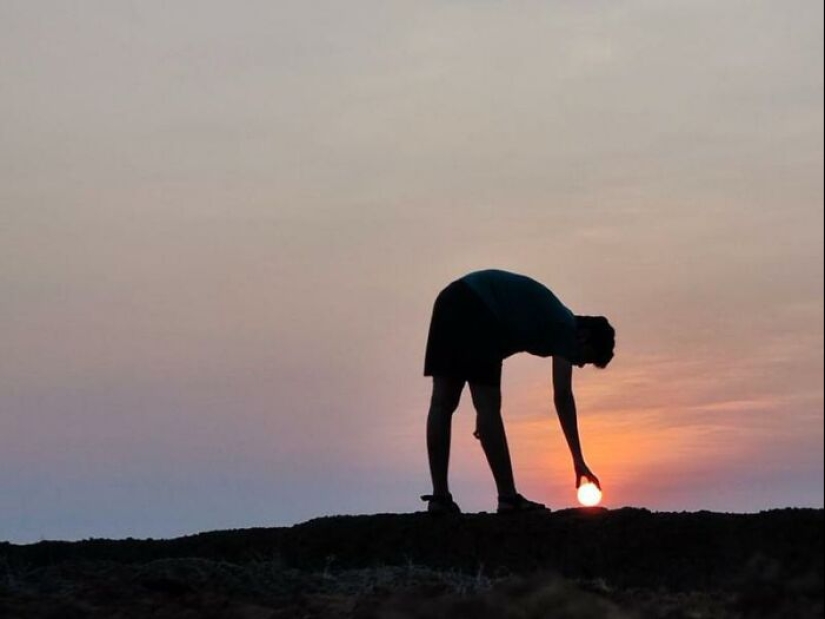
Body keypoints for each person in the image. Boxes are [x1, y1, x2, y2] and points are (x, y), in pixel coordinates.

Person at [421, 269, 615, 514]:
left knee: (442, 402)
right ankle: (508, 498)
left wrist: (487, 422)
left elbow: (506, 338)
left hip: (451, 299)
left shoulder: (556, 322)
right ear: (584, 337)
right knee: (487, 407)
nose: (579, 364)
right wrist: (578, 460)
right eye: (586, 359)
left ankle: (439, 499)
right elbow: (563, 396)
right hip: (480, 308)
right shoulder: (563, 328)